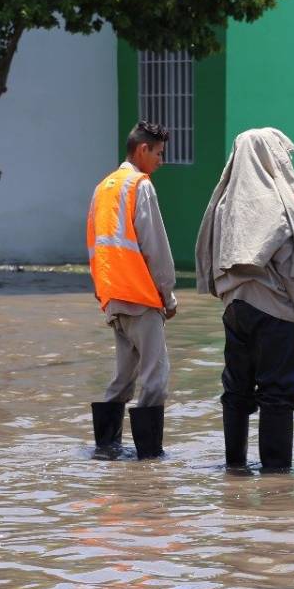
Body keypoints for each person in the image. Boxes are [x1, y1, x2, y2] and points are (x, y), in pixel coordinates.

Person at [195, 127, 294, 472]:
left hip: (234, 309)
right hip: (273, 311)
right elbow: (290, 265)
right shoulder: (275, 201)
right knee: (277, 394)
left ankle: (234, 467)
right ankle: (276, 476)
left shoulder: (223, 203)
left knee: (236, 391)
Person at [86, 120, 178, 461]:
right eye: (159, 153)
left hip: (113, 298)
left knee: (123, 378)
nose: (161, 161)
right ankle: (149, 460)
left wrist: (103, 294)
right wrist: (167, 295)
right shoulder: (140, 185)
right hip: (141, 296)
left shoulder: (103, 187)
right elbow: (156, 246)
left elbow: (94, 246)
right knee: (155, 379)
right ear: (143, 149)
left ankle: (105, 450)